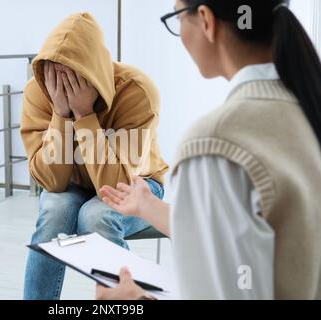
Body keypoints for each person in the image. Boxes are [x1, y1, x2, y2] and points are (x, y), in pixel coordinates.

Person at [98, 0, 321, 300]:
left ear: (205, 19)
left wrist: (134, 302)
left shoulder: (214, 143)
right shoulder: (307, 109)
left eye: (177, 16)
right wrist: (149, 206)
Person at [20, 12, 169, 300]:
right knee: (54, 210)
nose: (61, 83)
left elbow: (118, 186)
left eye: (74, 76)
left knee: (96, 215)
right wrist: (62, 115)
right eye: (54, 74)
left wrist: (85, 115)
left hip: (138, 185)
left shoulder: (136, 90)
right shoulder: (38, 93)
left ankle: (130, 302)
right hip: (72, 184)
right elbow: (52, 182)